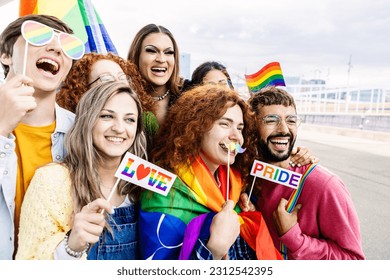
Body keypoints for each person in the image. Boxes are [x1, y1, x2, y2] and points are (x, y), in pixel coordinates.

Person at [139, 84, 282, 260]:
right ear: (197, 127)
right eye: (225, 124)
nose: (236, 137)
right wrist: (213, 250)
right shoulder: (163, 193)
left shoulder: (235, 187)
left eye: (239, 127)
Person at [16, 82, 147, 260]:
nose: (119, 128)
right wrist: (71, 246)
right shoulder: (50, 181)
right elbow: (26, 264)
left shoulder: (143, 184)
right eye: (107, 116)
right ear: (88, 121)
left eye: (130, 119)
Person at [247, 86, 365, 260]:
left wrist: (294, 238)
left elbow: (354, 261)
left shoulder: (324, 185)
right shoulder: (245, 177)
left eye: (291, 121)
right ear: (252, 127)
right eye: (271, 120)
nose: (284, 130)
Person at [0, 14, 82, 260]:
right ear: (6, 55)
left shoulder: (82, 133)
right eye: (37, 35)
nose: (56, 47)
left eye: (68, 45)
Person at [56, 52, 158, 152]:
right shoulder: (66, 136)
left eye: (123, 78)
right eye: (106, 78)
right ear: (83, 92)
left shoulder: (145, 127)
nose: (118, 83)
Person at [127, 24, 182, 126]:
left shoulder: (189, 97)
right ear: (136, 55)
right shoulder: (122, 96)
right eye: (151, 51)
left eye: (168, 52)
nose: (161, 59)